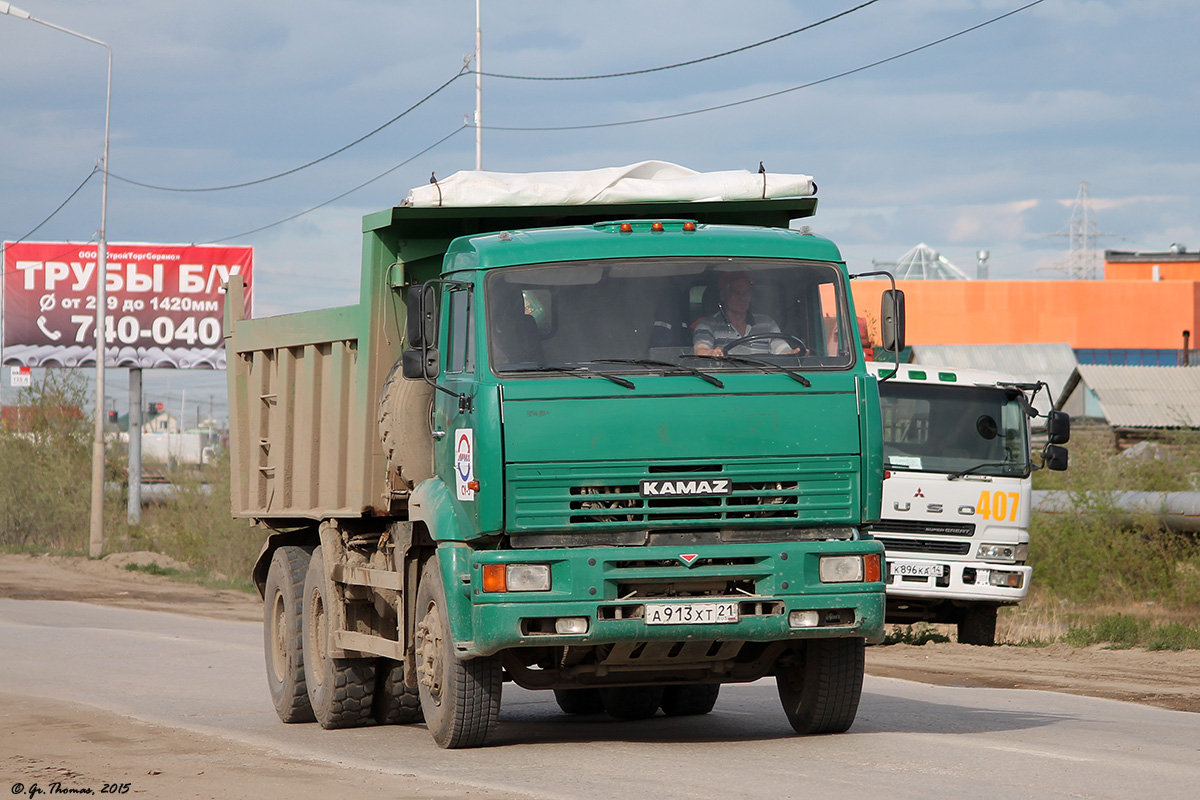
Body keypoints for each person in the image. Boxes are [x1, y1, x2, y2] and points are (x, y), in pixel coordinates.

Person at [692, 272, 802, 357]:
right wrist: (712, 353)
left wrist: (792, 353)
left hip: (764, 380)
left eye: (746, 292)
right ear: (724, 295)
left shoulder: (767, 324)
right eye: (736, 293)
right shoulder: (707, 325)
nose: (742, 298)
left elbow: (781, 349)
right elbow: (700, 350)